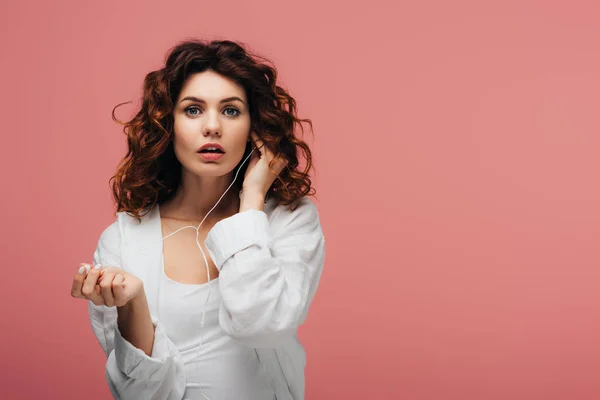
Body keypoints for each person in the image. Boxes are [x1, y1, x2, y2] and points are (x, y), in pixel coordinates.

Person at [69, 39, 326, 400]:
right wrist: (134, 304)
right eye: (192, 110)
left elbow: (263, 326)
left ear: (256, 127)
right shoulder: (123, 240)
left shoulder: (289, 221)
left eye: (231, 111)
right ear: (167, 124)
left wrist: (251, 200)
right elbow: (138, 393)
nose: (212, 127)